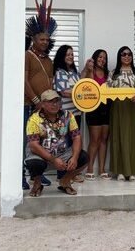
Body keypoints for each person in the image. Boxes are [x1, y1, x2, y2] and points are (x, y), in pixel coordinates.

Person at [25, 90, 88, 197]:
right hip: (41, 155)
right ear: (43, 104)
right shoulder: (34, 119)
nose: (55, 105)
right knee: (33, 163)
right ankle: (37, 184)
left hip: (62, 153)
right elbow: (34, 145)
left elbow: (76, 137)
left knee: (84, 157)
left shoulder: (68, 115)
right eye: (50, 102)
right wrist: (53, 160)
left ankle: (65, 181)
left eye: (57, 101)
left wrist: (74, 157)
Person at [23, 0, 56, 190]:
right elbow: (24, 80)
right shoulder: (27, 56)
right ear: (34, 39)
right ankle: (20, 176)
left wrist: (49, 104)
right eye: (42, 39)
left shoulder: (48, 60)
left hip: (43, 109)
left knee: (42, 141)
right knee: (25, 142)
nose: (45, 42)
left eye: (47, 39)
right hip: (29, 106)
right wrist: (36, 100)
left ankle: (38, 174)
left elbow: (50, 84)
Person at [108, 46, 135, 181]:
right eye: (123, 54)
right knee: (118, 137)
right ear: (119, 56)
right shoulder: (113, 73)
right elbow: (108, 88)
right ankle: (120, 170)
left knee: (134, 137)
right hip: (118, 107)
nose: (126, 56)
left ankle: (133, 171)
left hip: (134, 106)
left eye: (129, 54)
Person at [52, 44, 84, 183]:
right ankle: (62, 174)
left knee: (74, 144)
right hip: (65, 114)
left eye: (72, 54)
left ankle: (72, 173)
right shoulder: (60, 72)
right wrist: (81, 94)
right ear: (62, 56)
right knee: (64, 144)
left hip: (76, 113)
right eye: (67, 54)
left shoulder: (74, 72)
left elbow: (81, 86)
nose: (70, 57)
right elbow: (64, 92)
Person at [82, 49, 111, 180]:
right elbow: (84, 84)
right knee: (95, 140)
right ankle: (89, 169)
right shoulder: (90, 71)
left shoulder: (108, 73)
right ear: (95, 58)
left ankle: (102, 170)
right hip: (93, 109)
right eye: (100, 57)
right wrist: (88, 69)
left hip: (106, 108)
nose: (102, 60)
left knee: (104, 139)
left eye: (104, 58)